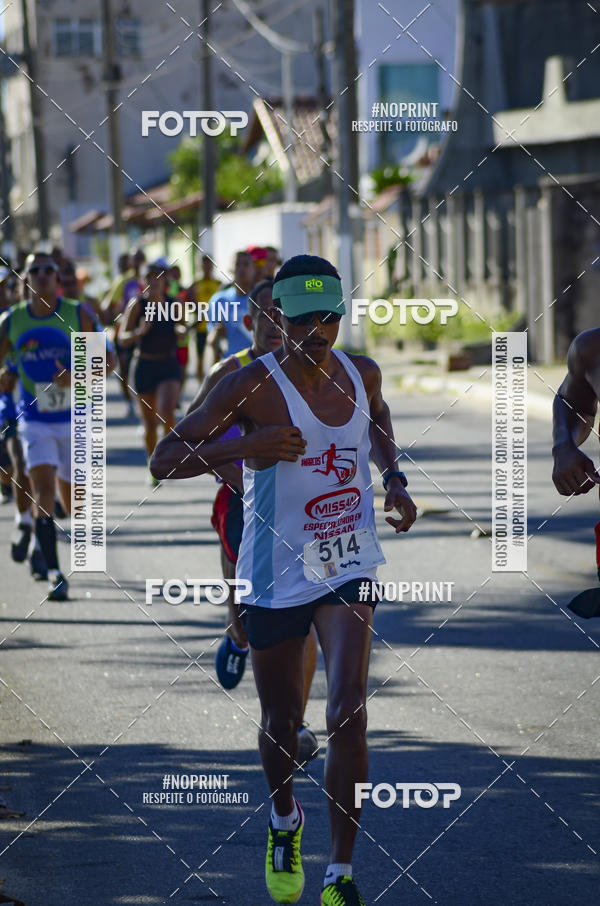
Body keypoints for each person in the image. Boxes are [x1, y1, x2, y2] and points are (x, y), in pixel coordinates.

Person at [150, 254, 417, 905]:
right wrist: (245, 447)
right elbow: (164, 458)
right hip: (274, 569)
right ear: (278, 317)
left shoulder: (362, 372)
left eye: (328, 318)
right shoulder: (249, 386)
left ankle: (340, 875)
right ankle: (283, 818)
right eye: (302, 320)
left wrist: (394, 478)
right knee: (281, 721)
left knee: (348, 709)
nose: (316, 332)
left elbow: (378, 416)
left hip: (347, 560)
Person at [187, 277, 319, 764]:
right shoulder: (229, 373)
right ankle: (237, 635)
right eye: (266, 314)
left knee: (305, 611)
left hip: (303, 508)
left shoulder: (313, 370)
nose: (275, 323)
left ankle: (296, 721)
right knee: (248, 618)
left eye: (283, 313)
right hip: (242, 504)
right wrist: (240, 472)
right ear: (250, 322)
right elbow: (190, 440)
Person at [0, 251, 112, 600]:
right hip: (35, 420)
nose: (43, 275)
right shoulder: (12, 320)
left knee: (74, 503)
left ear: (58, 278)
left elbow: (108, 362)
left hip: (76, 418)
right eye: (36, 270)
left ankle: (42, 535)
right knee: (42, 490)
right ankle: (54, 572)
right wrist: (4, 376)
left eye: (49, 270)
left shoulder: (77, 314)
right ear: (26, 278)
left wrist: (77, 376)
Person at [119, 260, 183, 484]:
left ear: (165, 281)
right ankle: (152, 464)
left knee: (166, 411)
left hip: (168, 364)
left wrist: (182, 331)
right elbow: (122, 338)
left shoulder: (174, 304)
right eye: (149, 277)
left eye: (158, 277)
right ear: (142, 281)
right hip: (144, 365)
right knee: (149, 423)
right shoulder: (137, 305)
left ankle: (167, 456)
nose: (153, 281)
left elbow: (183, 328)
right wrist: (138, 332)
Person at [101, 251, 136, 416]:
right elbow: (108, 306)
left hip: (144, 332)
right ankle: (130, 402)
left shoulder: (147, 279)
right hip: (124, 331)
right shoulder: (122, 281)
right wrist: (118, 319)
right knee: (124, 369)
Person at [208, 250, 255, 363]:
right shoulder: (219, 300)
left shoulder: (261, 299)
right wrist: (216, 334)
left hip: (256, 364)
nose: (242, 268)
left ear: (253, 269)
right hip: (230, 363)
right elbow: (211, 339)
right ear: (231, 268)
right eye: (237, 264)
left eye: (246, 264)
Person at [189, 255, 221, 381]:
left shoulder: (218, 284)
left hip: (215, 327)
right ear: (201, 266)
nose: (207, 267)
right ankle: (201, 384)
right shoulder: (195, 284)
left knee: (217, 357)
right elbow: (190, 304)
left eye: (209, 264)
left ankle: (214, 381)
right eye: (204, 264)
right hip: (200, 327)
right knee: (200, 358)